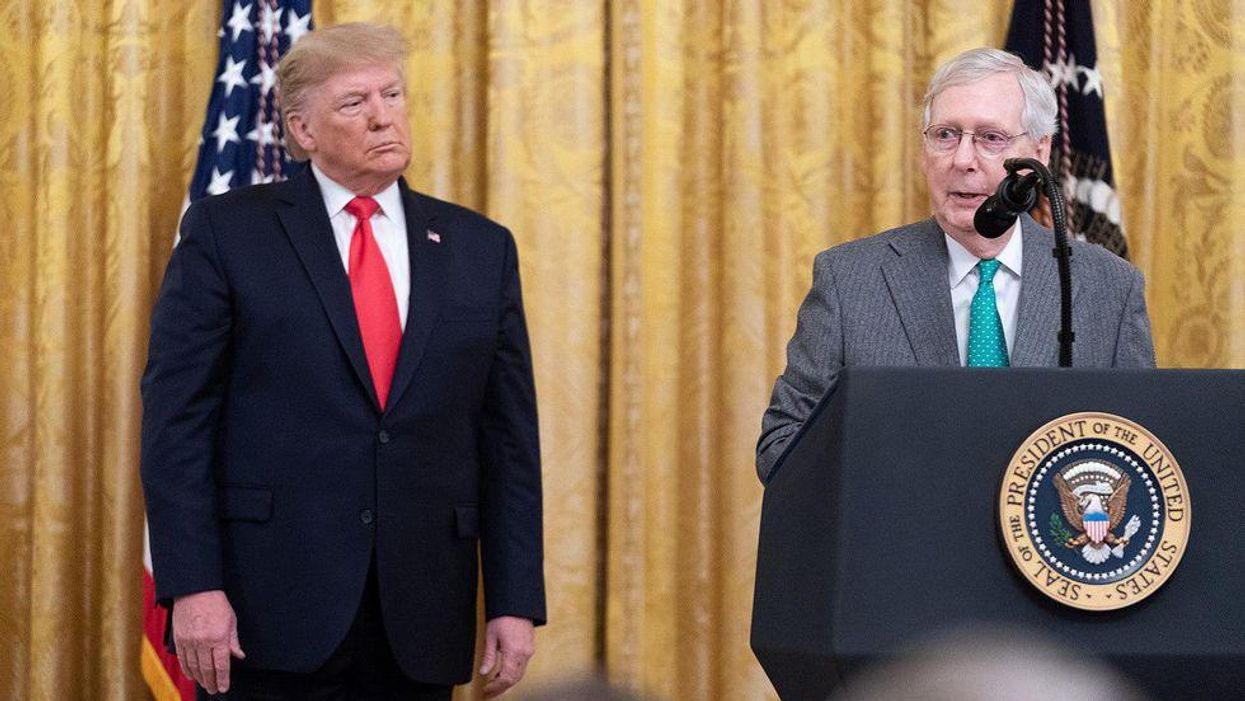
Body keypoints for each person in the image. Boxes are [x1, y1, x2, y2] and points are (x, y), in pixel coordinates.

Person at [141, 23, 545, 700]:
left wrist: (513, 598)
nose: (383, 115)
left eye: (391, 94)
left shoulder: (481, 248)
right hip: (264, 610)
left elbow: (508, 441)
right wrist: (194, 584)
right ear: (302, 131)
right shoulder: (227, 232)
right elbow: (176, 423)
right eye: (354, 103)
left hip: (421, 614)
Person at [756, 48, 1155, 483]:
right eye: (945, 134)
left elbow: (1140, 448)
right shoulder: (849, 280)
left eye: (990, 138)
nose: (963, 160)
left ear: (1039, 152)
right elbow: (781, 446)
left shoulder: (1109, 289)